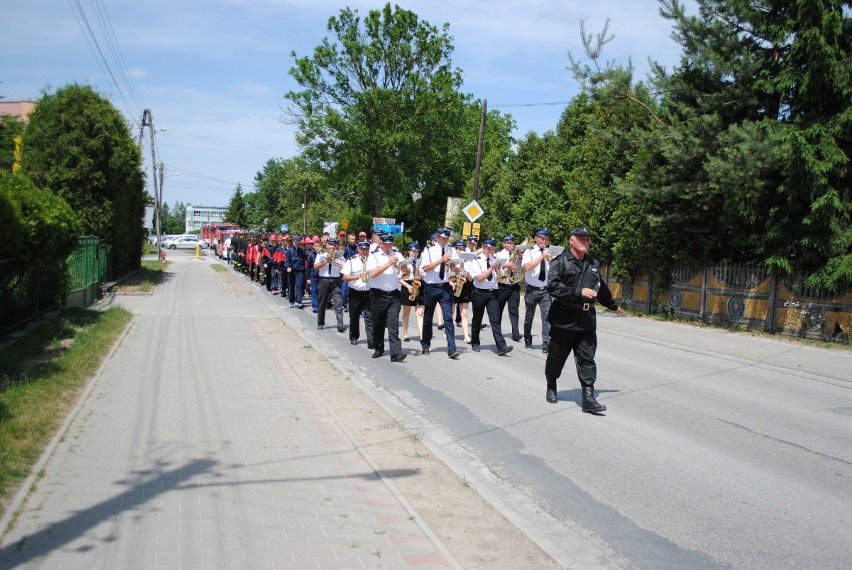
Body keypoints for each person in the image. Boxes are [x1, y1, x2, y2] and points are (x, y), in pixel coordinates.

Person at [544, 226, 622, 412]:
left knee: (587, 359)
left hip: (586, 319)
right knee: (556, 358)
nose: (584, 241)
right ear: (571, 240)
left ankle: (588, 399)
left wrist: (612, 305)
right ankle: (551, 385)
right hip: (564, 320)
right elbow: (553, 287)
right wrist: (578, 292)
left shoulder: (592, 263)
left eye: (587, 238)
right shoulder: (560, 262)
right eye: (580, 238)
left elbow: (600, 288)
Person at [418, 227, 460, 359]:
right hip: (431, 286)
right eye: (442, 238)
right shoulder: (429, 250)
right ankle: (425, 344)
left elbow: (458, 268)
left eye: (447, 238)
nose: (445, 240)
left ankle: (452, 348)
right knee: (428, 317)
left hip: (446, 286)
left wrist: (455, 267)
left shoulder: (452, 250)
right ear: (437, 237)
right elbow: (424, 268)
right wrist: (441, 261)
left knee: (448, 317)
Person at [467, 237, 513, 356]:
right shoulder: (476, 260)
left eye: (492, 248)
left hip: (493, 292)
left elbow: (498, 278)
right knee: (477, 319)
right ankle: (475, 342)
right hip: (479, 293)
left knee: (495, 320)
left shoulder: (494, 260)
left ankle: (501, 346)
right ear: (483, 247)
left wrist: (499, 273)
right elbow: (480, 278)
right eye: (488, 248)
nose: (490, 250)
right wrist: (492, 267)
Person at [366, 234, 406, 361]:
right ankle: (379, 348)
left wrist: (405, 267)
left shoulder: (397, 255)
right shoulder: (373, 256)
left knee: (393, 324)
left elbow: (407, 270)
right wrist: (389, 263)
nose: (390, 246)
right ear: (380, 244)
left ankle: (395, 353)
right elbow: (372, 273)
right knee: (378, 323)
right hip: (378, 295)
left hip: (394, 294)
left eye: (391, 243)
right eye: (387, 243)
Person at [522, 228, 552, 353]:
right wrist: (542, 256)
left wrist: (552, 258)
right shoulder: (529, 252)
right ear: (536, 238)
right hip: (532, 290)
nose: (543, 241)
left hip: (546, 290)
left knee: (547, 317)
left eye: (546, 239)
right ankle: (528, 338)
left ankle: (547, 343)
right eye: (541, 238)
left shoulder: (550, 252)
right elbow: (528, 267)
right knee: (529, 316)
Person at [341, 240, 374, 347]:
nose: (364, 251)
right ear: (358, 249)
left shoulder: (373, 260)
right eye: (362, 249)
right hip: (355, 292)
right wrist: (355, 277)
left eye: (366, 249)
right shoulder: (352, 260)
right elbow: (345, 277)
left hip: (369, 291)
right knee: (354, 316)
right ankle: (354, 336)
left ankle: (371, 340)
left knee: (369, 317)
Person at [314, 238, 346, 332]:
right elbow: (316, 266)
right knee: (322, 302)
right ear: (327, 245)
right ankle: (320, 322)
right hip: (324, 279)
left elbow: (345, 267)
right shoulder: (321, 255)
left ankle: (340, 324)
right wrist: (326, 261)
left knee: (338, 302)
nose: (332, 247)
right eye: (330, 245)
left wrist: (338, 262)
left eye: (334, 245)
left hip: (336, 280)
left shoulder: (340, 255)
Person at [495, 235, 522, 341]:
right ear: (504, 244)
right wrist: (506, 266)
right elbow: (494, 266)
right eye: (509, 243)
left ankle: (516, 333)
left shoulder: (516, 255)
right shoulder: (498, 254)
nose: (511, 245)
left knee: (514, 310)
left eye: (512, 243)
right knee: (499, 310)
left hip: (513, 285)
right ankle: (497, 332)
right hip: (502, 285)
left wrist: (519, 259)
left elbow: (521, 268)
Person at [398, 242, 422, 342]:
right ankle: (405, 333)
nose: (415, 253)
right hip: (407, 285)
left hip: (418, 284)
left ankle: (422, 335)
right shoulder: (404, 262)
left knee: (420, 312)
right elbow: (399, 278)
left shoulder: (420, 262)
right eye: (413, 251)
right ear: (408, 251)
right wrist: (408, 286)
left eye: (416, 251)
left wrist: (421, 276)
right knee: (406, 311)